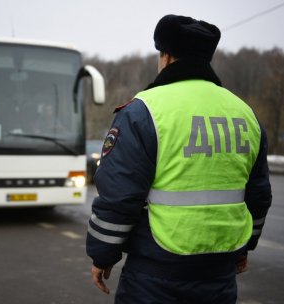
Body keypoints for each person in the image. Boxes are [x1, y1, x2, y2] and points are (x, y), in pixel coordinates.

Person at [86, 14, 272, 303]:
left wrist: (103, 255)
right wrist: (245, 248)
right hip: (220, 271)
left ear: (166, 57)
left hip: (156, 272)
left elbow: (118, 194)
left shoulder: (143, 111)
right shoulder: (244, 113)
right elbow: (258, 194)